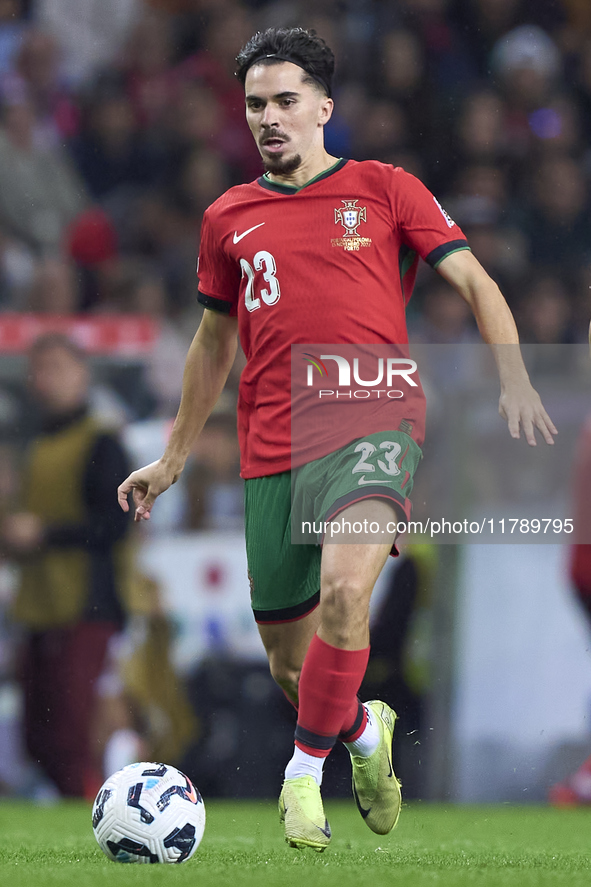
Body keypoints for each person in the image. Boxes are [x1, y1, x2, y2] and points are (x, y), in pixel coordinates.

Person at [118, 27, 557, 851]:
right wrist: (174, 454)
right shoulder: (227, 217)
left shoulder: (385, 188)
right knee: (291, 665)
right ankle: (362, 733)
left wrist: (514, 377)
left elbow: (474, 278)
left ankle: (300, 778)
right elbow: (213, 343)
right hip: (272, 441)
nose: (269, 118)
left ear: (324, 107)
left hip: (372, 416)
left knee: (348, 595)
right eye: (255, 105)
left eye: (286, 101)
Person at [1, 333, 132, 797]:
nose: (47, 379)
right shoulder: (33, 446)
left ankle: (91, 805)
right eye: (40, 369)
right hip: (37, 602)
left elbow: (118, 524)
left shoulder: (102, 440)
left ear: (82, 374)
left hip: (86, 604)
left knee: (76, 729)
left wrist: (46, 533)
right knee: (37, 731)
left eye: (58, 367)